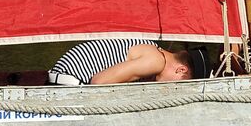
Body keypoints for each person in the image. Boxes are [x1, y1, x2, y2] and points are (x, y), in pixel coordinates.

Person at [47, 40, 207, 85]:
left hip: (63, 76)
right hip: (68, 83)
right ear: (181, 70)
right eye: (179, 85)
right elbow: (98, 83)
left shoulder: (153, 51)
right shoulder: (156, 61)